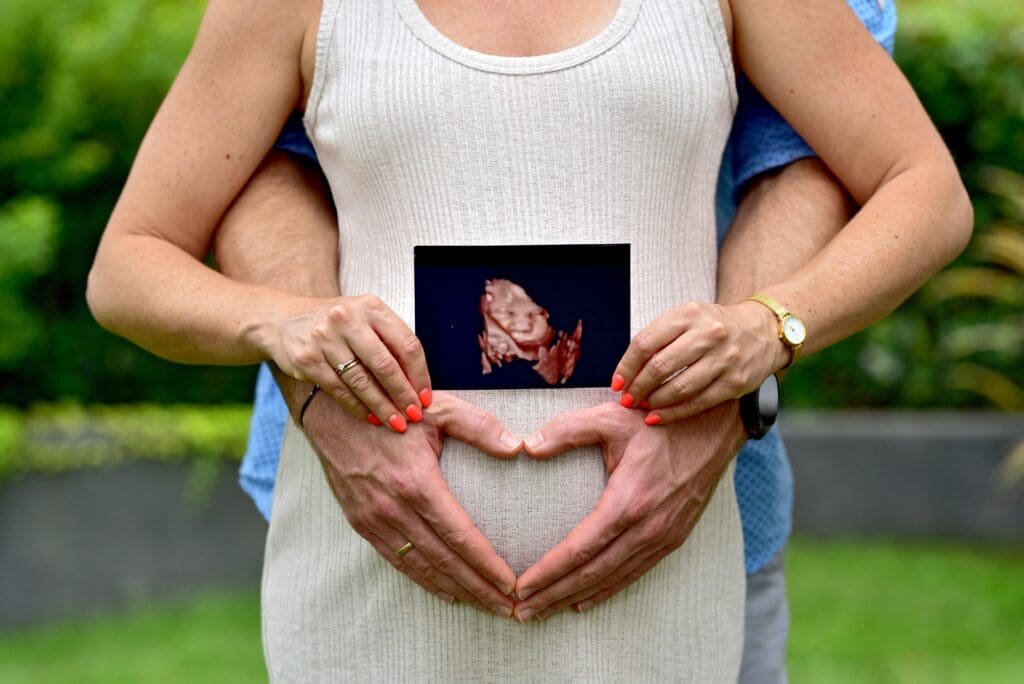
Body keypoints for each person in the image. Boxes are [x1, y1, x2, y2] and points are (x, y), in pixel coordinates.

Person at [87, 0, 972, 680]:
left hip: (664, 582)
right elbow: (134, 259)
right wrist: (281, 324)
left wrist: (770, 326)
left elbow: (909, 185)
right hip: (366, 583)